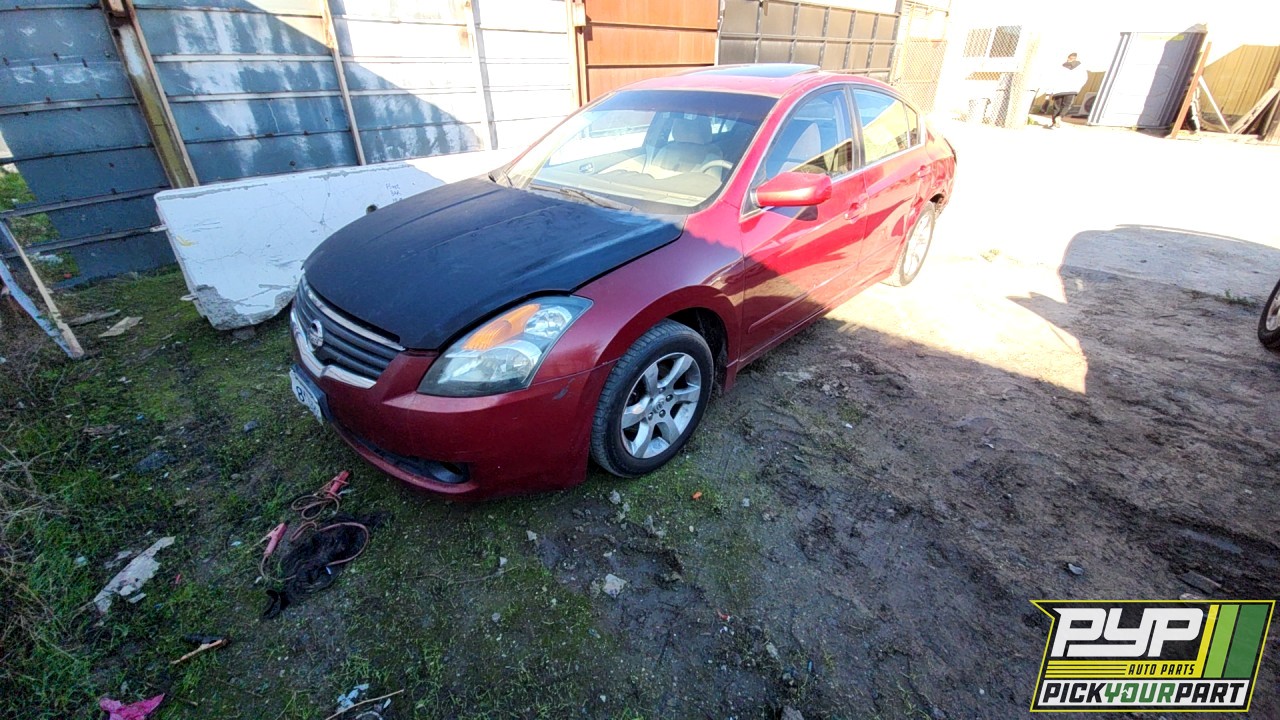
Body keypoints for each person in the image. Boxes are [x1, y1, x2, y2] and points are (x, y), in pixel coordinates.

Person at [1046, 53, 1086, 128]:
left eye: (1069, 58)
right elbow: (1083, 79)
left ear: (1069, 58)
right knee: (1067, 105)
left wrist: (1048, 92)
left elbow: (1052, 78)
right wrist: (1077, 88)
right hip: (1072, 90)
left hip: (1058, 90)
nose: (1068, 60)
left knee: (1056, 107)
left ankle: (1054, 122)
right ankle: (1059, 117)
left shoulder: (1061, 67)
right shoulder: (1081, 68)